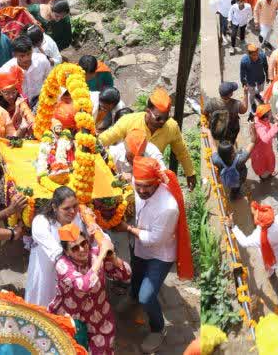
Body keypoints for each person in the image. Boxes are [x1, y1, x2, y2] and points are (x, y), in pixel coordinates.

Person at [122, 157, 182, 352]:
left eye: (147, 187)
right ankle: (132, 296)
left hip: (160, 254)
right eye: (138, 186)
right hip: (140, 247)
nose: (141, 191)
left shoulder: (168, 207)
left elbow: (155, 240)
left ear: (157, 182)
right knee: (136, 276)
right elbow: (131, 180)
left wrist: (128, 228)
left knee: (147, 296)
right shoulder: (138, 184)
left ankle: (158, 329)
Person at [50, 223, 131, 355]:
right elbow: (84, 285)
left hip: (99, 315)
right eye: (75, 248)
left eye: (84, 243)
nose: (82, 249)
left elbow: (126, 274)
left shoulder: (95, 254)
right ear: (67, 252)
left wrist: (113, 258)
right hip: (72, 318)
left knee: (104, 350)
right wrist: (102, 254)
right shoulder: (62, 264)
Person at [98, 88, 196, 188]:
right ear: (148, 111)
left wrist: (190, 173)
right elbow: (107, 137)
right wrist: (90, 144)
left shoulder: (171, 127)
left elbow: (181, 152)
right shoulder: (129, 121)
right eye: (158, 118)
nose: (162, 122)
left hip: (150, 181)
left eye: (166, 118)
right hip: (126, 175)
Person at [26, 186, 85, 308]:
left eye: (75, 206)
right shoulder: (41, 222)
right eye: (66, 208)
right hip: (46, 274)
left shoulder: (78, 218)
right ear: (54, 207)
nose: (72, 211)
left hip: (71, 275)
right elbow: (55, 251)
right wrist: (73, 274)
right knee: (43, 309)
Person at [236, 195, 278, 276]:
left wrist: (233, 227)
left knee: (269, 267)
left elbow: (243, 242)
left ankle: (271, 274)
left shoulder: (257, 237)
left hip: (269, 259)